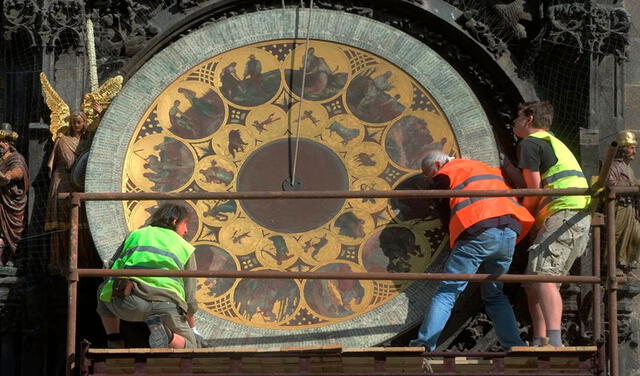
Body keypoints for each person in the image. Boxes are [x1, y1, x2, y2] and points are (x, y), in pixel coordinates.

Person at [410, 150, 534, 351]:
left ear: (436, 166)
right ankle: (514, 346)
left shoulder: (446, 173)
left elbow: (444, 214)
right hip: (509, 231)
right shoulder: (483, 167)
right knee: (495, 295)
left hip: (478, 230)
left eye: (429, 175)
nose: (430, 180)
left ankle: (424, 344)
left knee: (447, 293)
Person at [513, 101, 591, 347]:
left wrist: (520, 221)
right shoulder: (550, 142)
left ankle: (555, 342)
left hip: (563, 213)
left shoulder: (529, 143)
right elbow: (534, 181)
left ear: (529, 119)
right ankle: (541, 338)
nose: (513, 122)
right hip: (572, 215)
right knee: (533, 281)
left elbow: (533, 190)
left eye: (517, 117)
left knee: (544, 276)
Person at [97, 203, 199, 348]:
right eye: (185, 224)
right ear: (174, 221)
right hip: (167, 306)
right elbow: (189, 297)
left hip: (131, 303)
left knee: (103, 291)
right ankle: (167, 335)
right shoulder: (185, 247)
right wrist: (193, 329)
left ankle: (114, 339)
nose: (186, 230)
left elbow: (111, 269)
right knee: (191, 347)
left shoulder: (136, 235)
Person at [46, 111, 96, 270]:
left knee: (81, 220)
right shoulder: (62, 140)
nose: (75, 125)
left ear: (84, 124)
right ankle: (59, 259)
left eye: (79, 122)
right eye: (73, 122)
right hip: (61, 181)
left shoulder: (89, 143)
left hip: (79, 183)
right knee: (60, 220)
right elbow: (51, 164)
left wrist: (101, 114)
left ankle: (82, 261)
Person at [606, 130, 640, 275]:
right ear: (623, 149)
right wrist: (634, 187)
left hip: (631, 208)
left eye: (635, 148)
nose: (634, 151)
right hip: (619, 207)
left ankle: (629, 264)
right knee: (617, 236)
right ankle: (615, 266)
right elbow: (610, 184)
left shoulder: (629, 168)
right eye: (631, 148)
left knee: (636, 235)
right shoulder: (613, 166)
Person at [0, 122, 28, 267]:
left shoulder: (16, 157)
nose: (1, 143)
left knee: (14, 231)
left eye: (4, 141)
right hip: (0, 200)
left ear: (10, 143)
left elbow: (19, 171)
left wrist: (8, 176)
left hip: (12, 201)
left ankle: (12, 258)